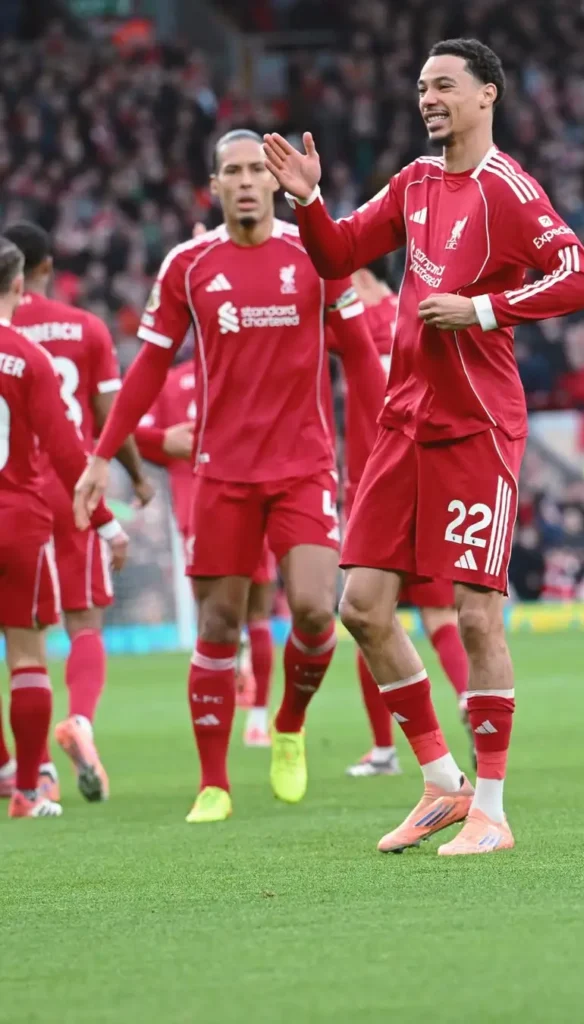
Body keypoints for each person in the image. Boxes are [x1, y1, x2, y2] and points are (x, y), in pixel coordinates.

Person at [263, 38, 584, 854]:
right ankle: (441, 783)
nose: (429, 98)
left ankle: (491, 808)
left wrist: (484, 311)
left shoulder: (509, 191)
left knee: (475, 615)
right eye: (422, 87)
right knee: (361, 607)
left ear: (487, 94)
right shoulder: (415, 181)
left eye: (445, 85)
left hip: (476, 424)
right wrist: (309, 202)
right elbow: (339, 254)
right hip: (402, 420)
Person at [73, 129, 384, 824]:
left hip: (303, 467)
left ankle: (291, 725)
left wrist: (384, 447)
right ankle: (213, 782)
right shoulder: (188, 264)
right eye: (231, 171)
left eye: (255, 170)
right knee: (217, 624)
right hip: (221, 472)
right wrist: (101, 457)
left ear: (274, 181)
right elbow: (148, 367)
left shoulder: (317, 253)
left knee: (312, 609)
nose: (245, 181)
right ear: (213, 186)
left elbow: (361, 358)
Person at [5, 221, 151, 803]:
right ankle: (79, 723)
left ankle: (26, 769)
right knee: (81, 622)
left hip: (19, 490)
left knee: (21, 642)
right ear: (39, 271)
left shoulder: (18, 329)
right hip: (66, 496)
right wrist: (134, 481)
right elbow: (108, 415)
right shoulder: (84, 329)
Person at [345, 264, 473, 778]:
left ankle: (384, 750)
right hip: (431, 468)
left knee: (369, 612)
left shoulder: (346, 318)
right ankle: (467, 694)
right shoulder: (418, 311)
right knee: (440, 616)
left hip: (374, 475)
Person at [134, 354, 278, 748]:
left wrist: (168, 445)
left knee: (213, 618)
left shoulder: (170, 383)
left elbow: (139, 434)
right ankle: (258, 721)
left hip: (196, 508)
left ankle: (221, 718)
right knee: (257, 613)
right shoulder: (248, 370)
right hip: (251, 497)